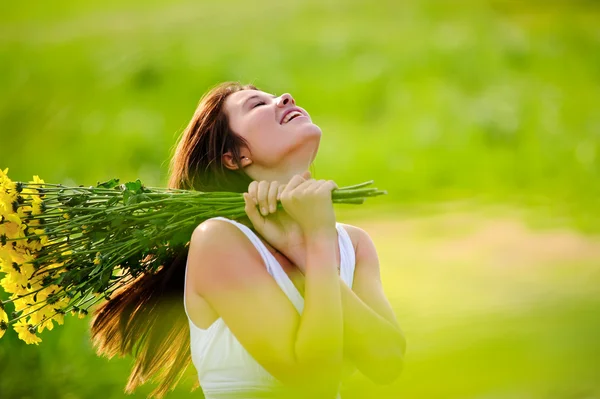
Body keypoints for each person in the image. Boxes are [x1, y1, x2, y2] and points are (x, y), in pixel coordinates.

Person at [90, 82, 406, 399]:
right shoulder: (218, 240)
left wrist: (300, 248)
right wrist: (318, 242)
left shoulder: (353, 243)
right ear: (235, 157)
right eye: (257, 105)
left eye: (276, 96)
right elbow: (314, 379)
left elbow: (387, 362)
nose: (284, 98)